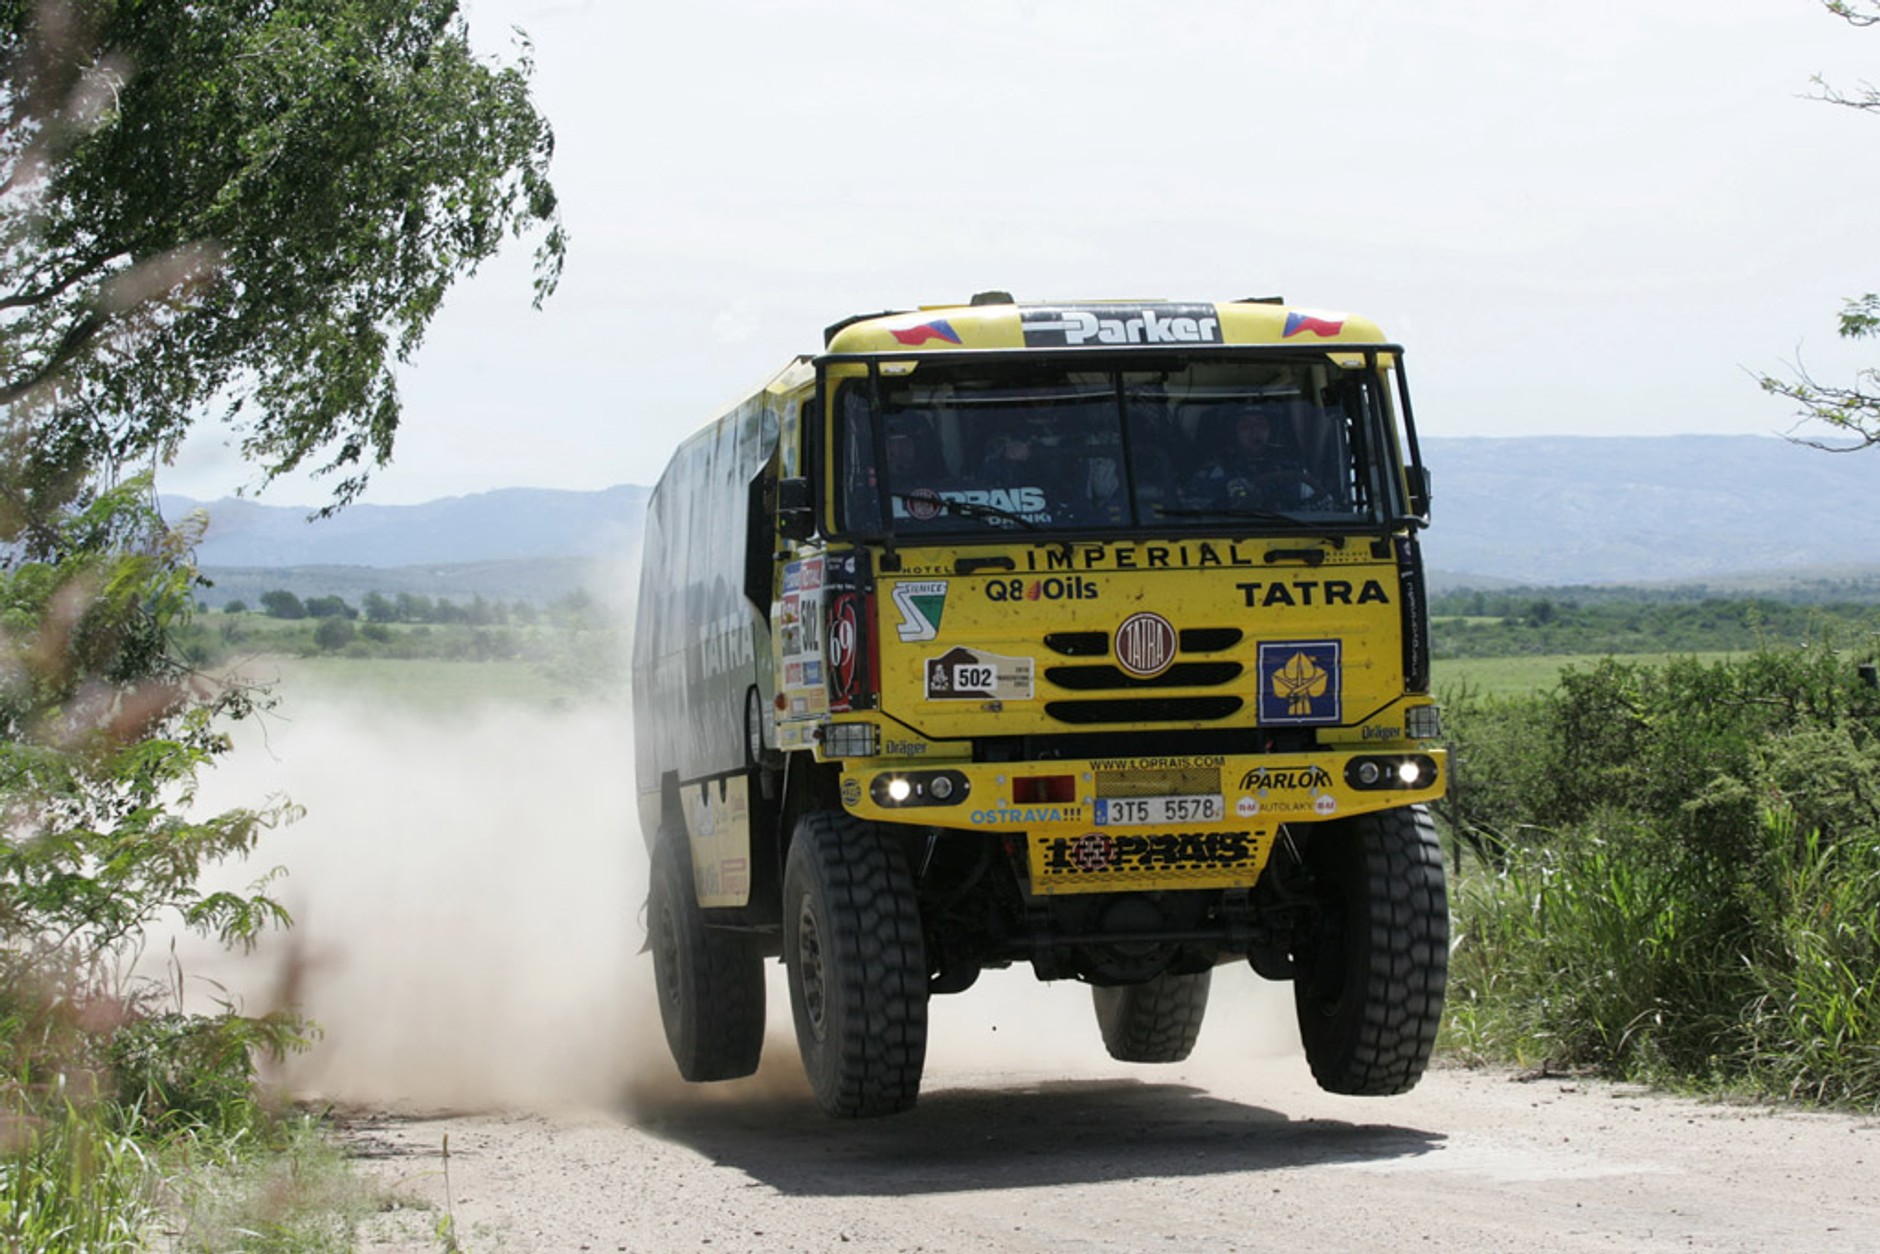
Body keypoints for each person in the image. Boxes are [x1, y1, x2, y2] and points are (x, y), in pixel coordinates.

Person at [1185, 406, 1320, 509]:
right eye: (1245, 426)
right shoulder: (1216, 470)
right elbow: (1195, 506)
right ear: (1233, 433)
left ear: (1271, 431)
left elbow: (1318, 504)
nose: (1254, 431)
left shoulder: (1292, 469)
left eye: (1261, 425)